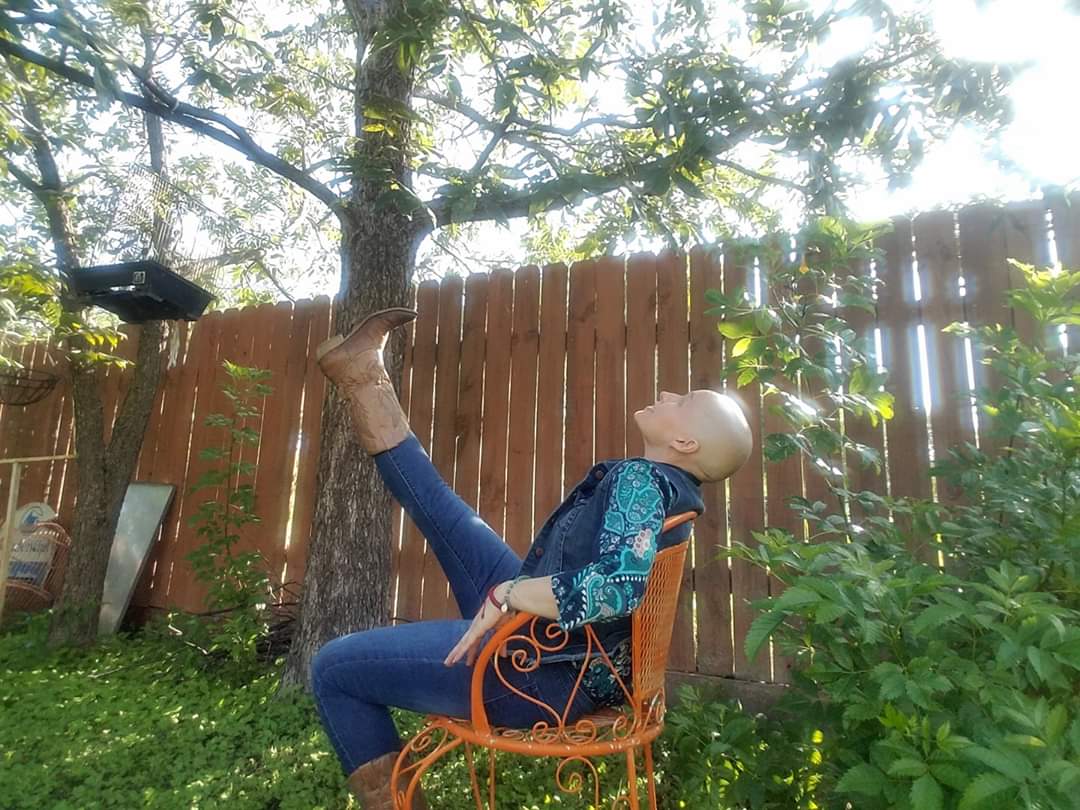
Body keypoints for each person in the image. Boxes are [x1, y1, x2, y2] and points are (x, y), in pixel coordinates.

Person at [310, 307, 753, 809]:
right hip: (559, 649)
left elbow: (616, 588)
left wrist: (509, 594)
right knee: (446, 514)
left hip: (538, 674)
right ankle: (362, 373)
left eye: (684, 401)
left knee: (332, 670)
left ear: (685, 442)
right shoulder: (670, 490)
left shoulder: (643, 483)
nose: (669, 394)